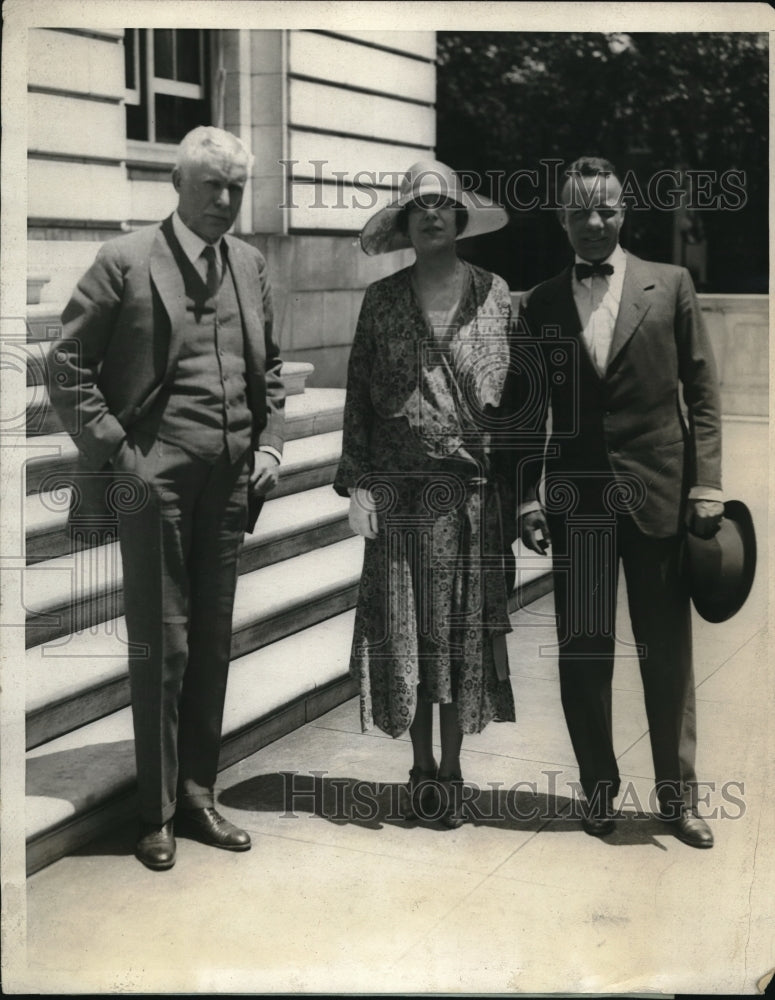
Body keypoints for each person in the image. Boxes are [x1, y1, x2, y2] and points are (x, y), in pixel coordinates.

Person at [48, 126, 285, 870]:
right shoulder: (124, 260)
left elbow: (269, 369)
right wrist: (121, 453)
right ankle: (152, 815)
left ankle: (197, 793)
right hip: (155, 482)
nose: (224, 200)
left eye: (236, 188)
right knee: (163, 642)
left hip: (231, 480)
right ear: (177, 185)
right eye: (211, 184)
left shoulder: (248, 263)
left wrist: (270, 445)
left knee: (212, 640)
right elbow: (65, 365)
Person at [510, 156, 723, 847]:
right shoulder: (539, 302)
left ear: (623, 212)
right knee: (584, 651)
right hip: (579, 504)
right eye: (578, 211)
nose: (592, 223)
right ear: (562, 219)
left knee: (665, 654)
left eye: (604, 209)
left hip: (659, 498)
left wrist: (706, 484)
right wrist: (525, 501)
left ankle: (678, 798)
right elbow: (524, 410)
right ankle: (597, 792)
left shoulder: (672, 286)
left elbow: (703, 394)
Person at [333, 160, 516, 828]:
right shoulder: (380, 300)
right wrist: (357, 484)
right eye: (418, 208)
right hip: (400, 494)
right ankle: (420, 773)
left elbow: (522, 403)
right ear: (406, 224)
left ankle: (455, 770)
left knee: (456, 637)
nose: (432, 215)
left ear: (460, 217)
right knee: (406, 636)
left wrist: (522, 493)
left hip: (468, 497)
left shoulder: (496, 295)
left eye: (442, 204)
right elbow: (357, 394)